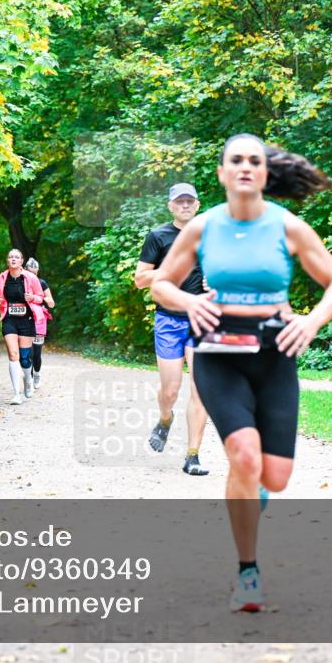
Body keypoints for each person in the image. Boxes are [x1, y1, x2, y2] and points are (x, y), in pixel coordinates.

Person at [151, 134, 332, 612]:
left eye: (254, 161)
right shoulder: (202, 227)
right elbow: (161, 282)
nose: (244, 167)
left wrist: (311, 320)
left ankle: (256, 481)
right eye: (235, 161)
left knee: (275, 477)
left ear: (265, 173)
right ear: (221, 174)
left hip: (274, 354)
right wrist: (188, 301)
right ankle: (248, 571)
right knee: (242, 453)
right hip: (218, 354)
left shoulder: (288, 227)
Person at [135, 183, 211, 476]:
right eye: (179, 201)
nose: (185, 205)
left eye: (189, 201)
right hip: (169, 320)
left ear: (197, 204)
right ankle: (165, 419)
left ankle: (193, 455)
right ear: (170, 206)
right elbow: (140, 279)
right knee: (170, 389)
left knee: (201, 388)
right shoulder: (159, 237)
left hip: (201, 319)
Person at [0, 249, 46, 405]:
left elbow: (40, 298)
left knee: (24, 357)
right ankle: (16, 394)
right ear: (8, 261)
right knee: (13, 354)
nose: (13, 259)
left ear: (21, 261)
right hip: (9, 319)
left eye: (16, 257)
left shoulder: (31, 278)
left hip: (27, 319)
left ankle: (28, 379)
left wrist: (32, 297)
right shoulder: (1, 278)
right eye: (10, 257)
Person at [24, 258, 55, 388]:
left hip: (39, 321)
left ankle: (36, 374)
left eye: (35, 273)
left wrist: (46, 299)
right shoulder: (21, 283)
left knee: (36, 353)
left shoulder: (42, 283)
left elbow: (52, 303)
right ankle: (29, 378)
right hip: (25, 320)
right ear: (25, 271)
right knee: (27, 352)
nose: (33, 275)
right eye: (30, 272)